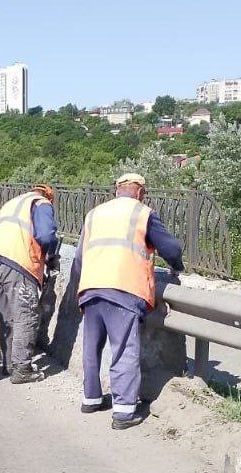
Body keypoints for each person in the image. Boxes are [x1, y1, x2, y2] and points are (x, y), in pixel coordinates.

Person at [73, 173, 185, 430]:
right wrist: (176, 268)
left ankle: (90, 399)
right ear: (140, 192)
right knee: (124, 349)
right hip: (123, 288)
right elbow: (171, 250)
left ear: (116, 190)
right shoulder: (143, 213)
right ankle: (123, 412)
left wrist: (81, 287)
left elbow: (79, 257)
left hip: (91, 288)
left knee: (92, 347)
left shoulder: (94, 214)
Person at [0, 184, 60, 383]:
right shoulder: (41, 203)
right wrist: (51, 255)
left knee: (6, 316)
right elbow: (45, 235)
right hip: (17, 263)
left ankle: (9, 364)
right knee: (26, 314)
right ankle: (22, 369)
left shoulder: (11, 203)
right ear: (49, 197)